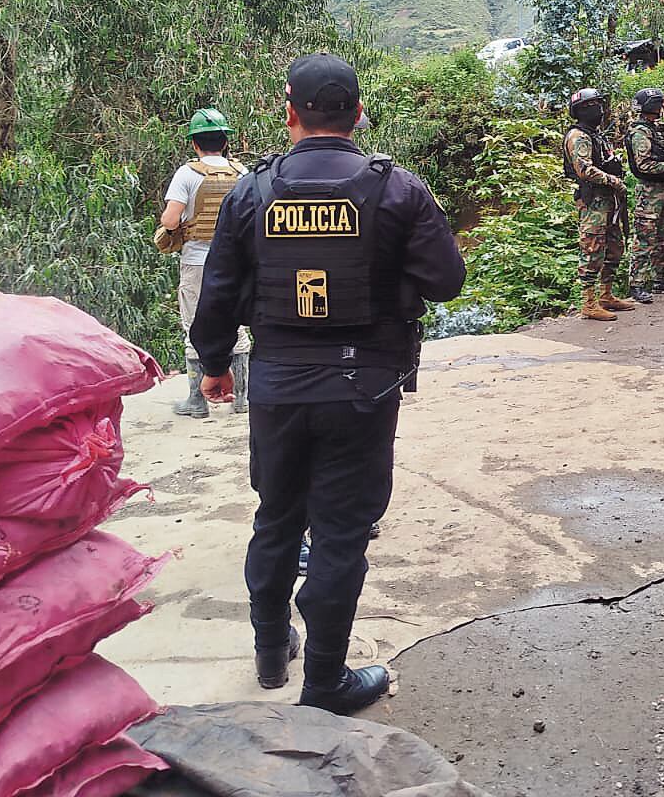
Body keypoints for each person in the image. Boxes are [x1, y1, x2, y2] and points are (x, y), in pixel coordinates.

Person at [189, 53, 465, 715]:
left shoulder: (251, 192)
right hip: (362, 386)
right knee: (340, 532)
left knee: (277, 517)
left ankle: (268, 653)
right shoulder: (397, 189)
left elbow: (219, 291)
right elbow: (447, 281)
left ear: (289, 112)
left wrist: (216, 365)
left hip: (279, 384)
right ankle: (325, 683)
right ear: (358, 113)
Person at [161, 108, 252, 418]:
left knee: (194, 328)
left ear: (195, 144)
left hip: (197, 263)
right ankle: (242, 398)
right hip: (238, 262)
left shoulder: (188, 174)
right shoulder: (242, 173)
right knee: (238, 327)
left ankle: (196, 401)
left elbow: (171, 220)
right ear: (225, 142)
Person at [562, 88, 635, 321]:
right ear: (581, 110)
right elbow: (584, 169)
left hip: (608, 200)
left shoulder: (595, 134)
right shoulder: (578, 136)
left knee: (615, 248)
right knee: (592, 250)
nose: (599, 110)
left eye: (600, 104)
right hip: (593, 200)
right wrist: (613, 180)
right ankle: (588, 303)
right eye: (593, 105)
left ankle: (606, 295)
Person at [624, 88, 664, 304]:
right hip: (648, 193)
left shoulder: (655, 128)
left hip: (660, 190)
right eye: (660, 104)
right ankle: (637, 284)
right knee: (644, 239)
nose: (662, 107)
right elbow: (644, 165)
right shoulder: (640, 132)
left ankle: (660, 280)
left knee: (662, 237)